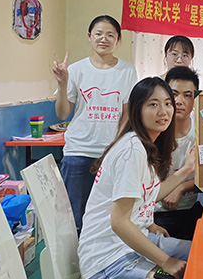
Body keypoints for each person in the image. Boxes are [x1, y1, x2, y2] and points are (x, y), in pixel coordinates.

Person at [78, 77, 196, 279]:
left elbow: (150, 194)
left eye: (167, 104)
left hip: (134, 239)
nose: (163, 111)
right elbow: (119, 222)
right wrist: (166, 261)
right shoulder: (132, 150)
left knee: (201, 252)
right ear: (137, 110)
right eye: (153, 104)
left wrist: (186, 169)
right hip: (108, 258)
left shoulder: (144, 145)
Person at [52, 15, 138, 233]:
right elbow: (62, 114)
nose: (103, 39)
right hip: (78, 152)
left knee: (107, 220)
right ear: (89, 37)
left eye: (110, 35)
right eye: (98, 34)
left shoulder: (127, 71)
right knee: (75, 220)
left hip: (111, 156)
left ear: (118, 40)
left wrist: (115, 147)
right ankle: (76, 256)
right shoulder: (76, 70)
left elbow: (127, 115)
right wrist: (62, 84)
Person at [153, 67, 203, 240]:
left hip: (190, 209)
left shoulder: (202, 130)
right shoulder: (154, 131)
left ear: (195, 99)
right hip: (155, 214)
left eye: (187, 95)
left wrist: (182, 188)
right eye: (174, 94)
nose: (179, 101)